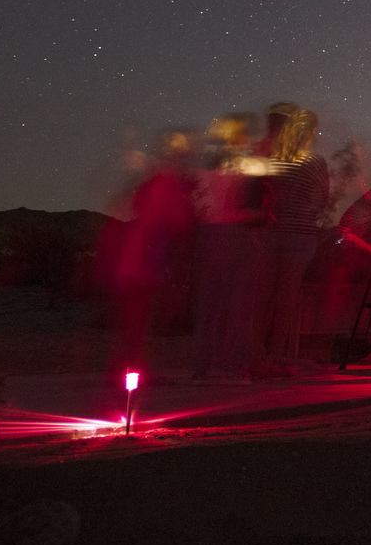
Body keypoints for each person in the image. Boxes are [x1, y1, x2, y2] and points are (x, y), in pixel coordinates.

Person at [110, 129, 197, 382]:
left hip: (139, 260)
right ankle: (128, 372)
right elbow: (178, 220)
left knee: (134, 322)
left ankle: (126, 369)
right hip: (144, 262)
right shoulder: (164, 184)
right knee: (137, 321)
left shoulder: (152, 183)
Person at [192, 112, 268, 382]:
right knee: (240, 305)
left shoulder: (206, 166)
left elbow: (199, 205)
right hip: (236, 237)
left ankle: (201, 368)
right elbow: (254, 211)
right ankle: (235, 367)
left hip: (209, 236)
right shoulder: (250, 166)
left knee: (209, 306)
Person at [254, 106, 329, 373]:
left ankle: (256, 355)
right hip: (300, 235)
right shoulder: (315, 161)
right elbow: (322, 200)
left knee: (262, 296)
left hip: (271, 233)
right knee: (286, 298)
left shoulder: (269, 160)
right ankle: (275, 356)